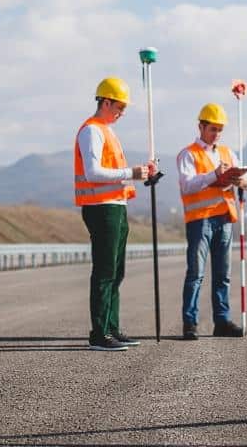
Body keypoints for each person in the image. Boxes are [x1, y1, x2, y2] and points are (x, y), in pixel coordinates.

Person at [74, 77, 156, 351]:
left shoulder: (108, 131)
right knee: (105, 271)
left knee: (117, 272)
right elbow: (93, 172)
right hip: (101, 209)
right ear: (105, 102)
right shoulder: (92, 131)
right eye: (119, 107)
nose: (122, 113)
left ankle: (111, 327)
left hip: (117, 207)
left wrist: (141, 174)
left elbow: (114, 174)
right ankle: (99, 333)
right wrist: (130, 173)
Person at [177, 102, 247, 340]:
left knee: (223, 274)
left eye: (220, 130)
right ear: (201, 126)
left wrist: (243, 182)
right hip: (200, 220)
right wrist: (215, 175)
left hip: (224, 218)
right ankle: (190, 323)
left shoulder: (227, 153)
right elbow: (188, 185)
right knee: (196, 274)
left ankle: (221, 321)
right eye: (212, 129)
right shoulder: (188, 154)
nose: (217, 134)